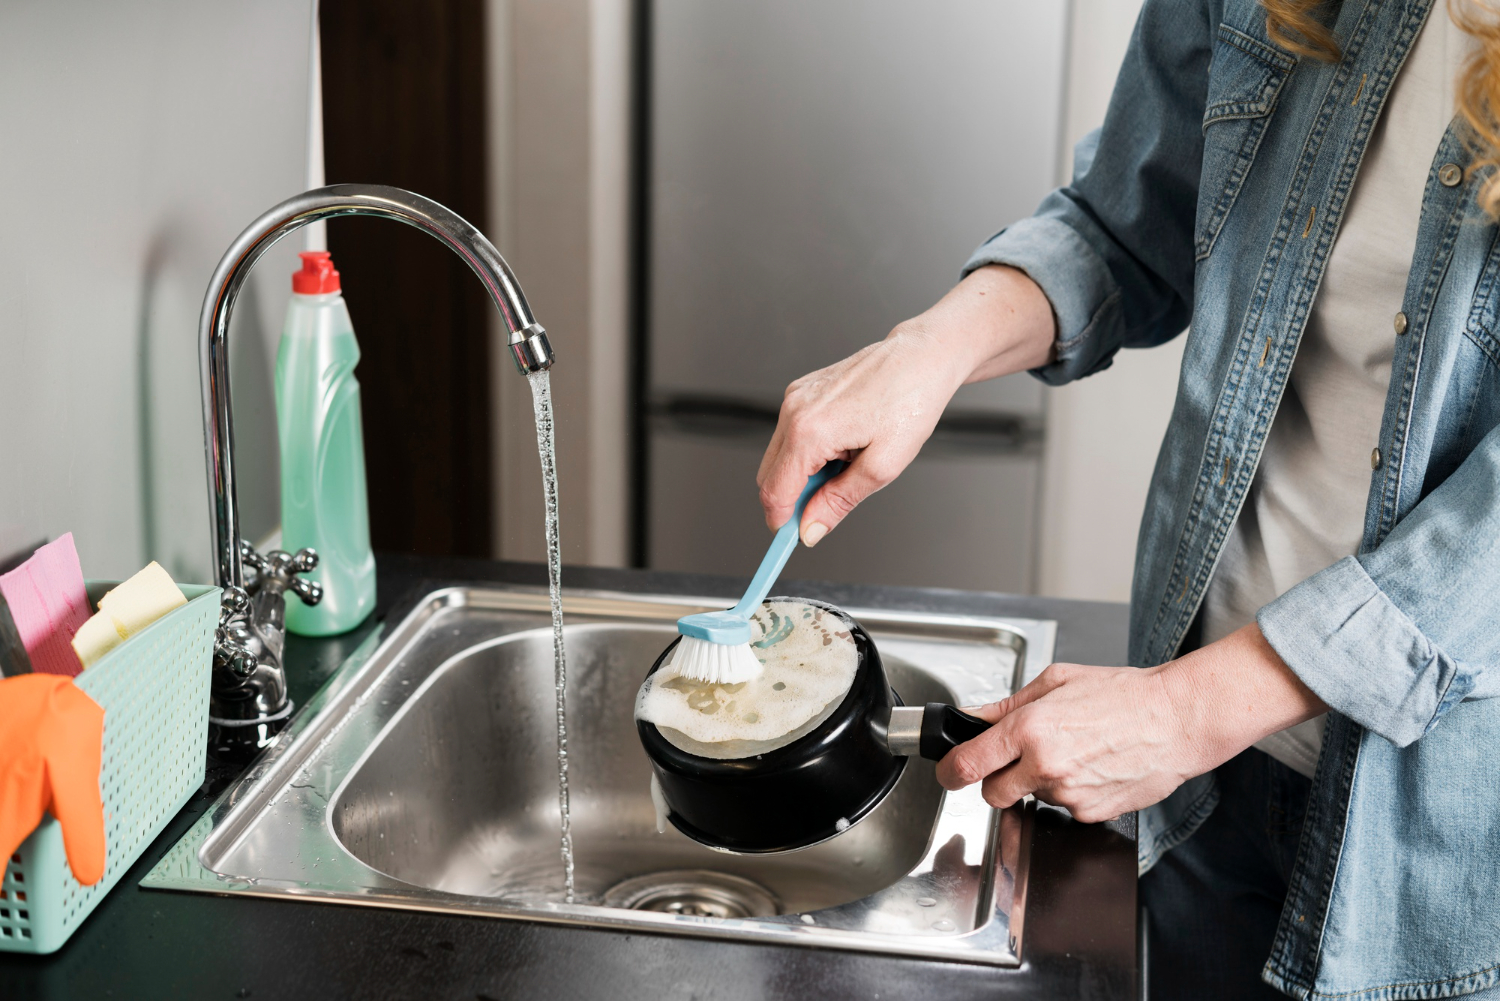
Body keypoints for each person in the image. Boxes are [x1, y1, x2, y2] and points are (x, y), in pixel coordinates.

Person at [754, 0, 1500, 997]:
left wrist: (1193, 708)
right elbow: (1127, 220)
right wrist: (928, 349)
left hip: (1438, 844)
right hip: (1195, 781)